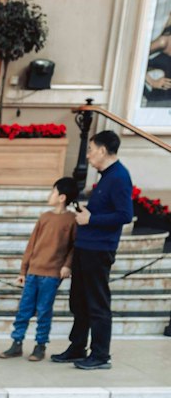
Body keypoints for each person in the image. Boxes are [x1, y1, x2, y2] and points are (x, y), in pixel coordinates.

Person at [51, 129, 134, 371]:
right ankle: (77, 347)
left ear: (102, 150)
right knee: (79, 301)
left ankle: (100, 355)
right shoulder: (107, 176)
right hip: (86, 247)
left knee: (97, 303)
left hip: (99, 250)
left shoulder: (119, 176)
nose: (87, 155)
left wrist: (91, 219)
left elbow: (125, 215)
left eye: (90, 149)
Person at [0, 177, 77, 362]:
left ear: (62, 197)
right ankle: (16, 343)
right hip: (33, 272)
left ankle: (40, 346)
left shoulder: (71, 220)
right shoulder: (44, 217)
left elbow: (74, 246)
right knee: (24, 309)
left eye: (53, 192)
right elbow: (31, 245)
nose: (50, 195)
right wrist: (23, 271)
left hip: (52, 275)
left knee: (44, 311)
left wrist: (67, 265)